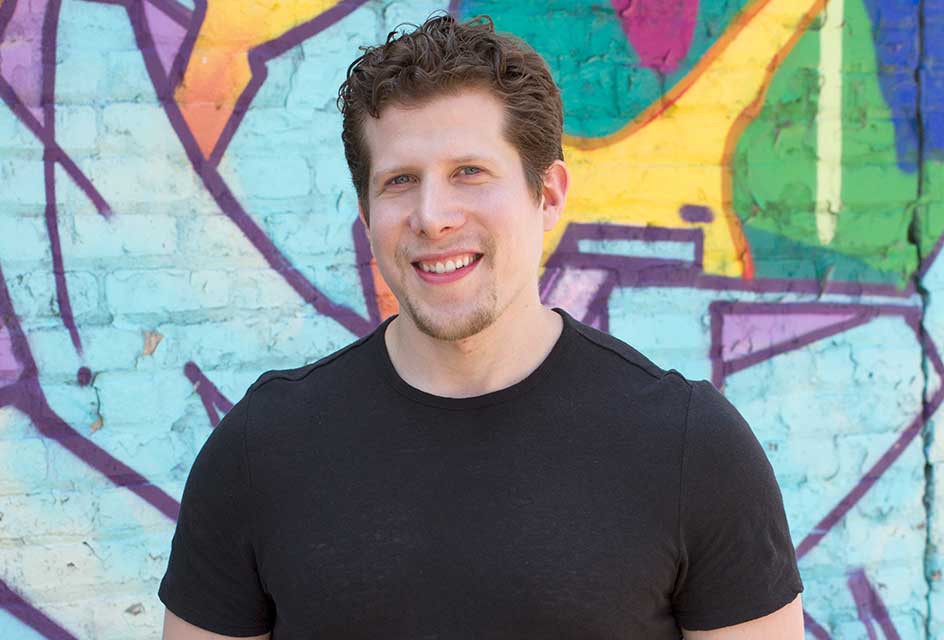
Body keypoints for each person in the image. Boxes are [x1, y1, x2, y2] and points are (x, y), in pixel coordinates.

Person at [159, 14, 805, 639]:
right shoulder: (260, 452)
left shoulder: (693, 452)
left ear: (548, 194)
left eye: (470, 172)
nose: (432, 216)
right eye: (400, 181)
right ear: (366, 214)